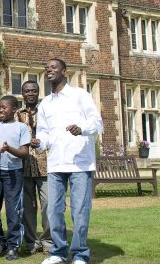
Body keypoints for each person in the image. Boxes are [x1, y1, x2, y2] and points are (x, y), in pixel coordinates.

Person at [37, 59, 103, 264]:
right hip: (56, 162)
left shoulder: (80, 95)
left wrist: (81, 128)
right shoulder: (45, 103)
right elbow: (44, 133)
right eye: (46, 68)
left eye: (53, 68)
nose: (49, 70)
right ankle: (58, 251)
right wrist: (38, 142)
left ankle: (80, 253)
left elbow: (97, 123)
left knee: (79, 209)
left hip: (80, 163)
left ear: (64, 71)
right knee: (53, 209)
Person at [0, 95, 30, 261]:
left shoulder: (22, 128)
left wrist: (9, 148)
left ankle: (13, 246)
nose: (0, 110)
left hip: (13, 173)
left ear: (14, 109)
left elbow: (24, 153)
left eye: (4, 107)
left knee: (14, 211)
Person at [17, 80, 52, 256]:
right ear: (22, 94)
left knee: (48, 205)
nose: (31, 94)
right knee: (28, 207)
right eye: (27, 91)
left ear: (38, 93)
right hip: (24, 167)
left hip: (45, 165)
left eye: (34, 91)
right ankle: (31, 241)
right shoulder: (16, 115)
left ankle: (48, 241)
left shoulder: (46, 112)